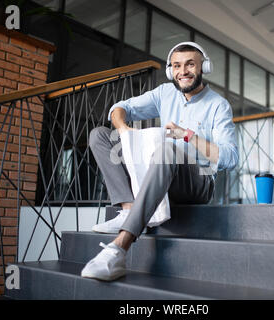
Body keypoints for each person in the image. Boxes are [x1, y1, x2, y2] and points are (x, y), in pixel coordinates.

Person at [81, 41, 238, 281]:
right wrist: (123, 129)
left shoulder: (219, 105)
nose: (182, 71)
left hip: (199, 181)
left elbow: (230, 158)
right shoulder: (165, 93)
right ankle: (128, 209)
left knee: (168, 149)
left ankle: (118, 249)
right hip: (161, 170)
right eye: (176, 65)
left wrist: (188, 136)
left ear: (204, 67)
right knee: (100, 135)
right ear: (170, 70)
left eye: (190, 64)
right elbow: (120, 108)